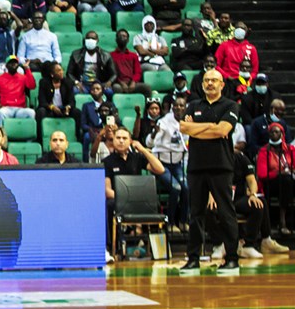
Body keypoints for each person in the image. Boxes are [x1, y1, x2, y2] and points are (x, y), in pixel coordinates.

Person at [178, 68, 242, 274]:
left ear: (222, 84)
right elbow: (184, 129)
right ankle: (193, 258)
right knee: (195, 214)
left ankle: (232, 258)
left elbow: (223, 130)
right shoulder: (193, 105)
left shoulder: (230, 105)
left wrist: (197, 128)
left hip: (221, 166)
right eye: (207, 80)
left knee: (226, 212)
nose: (210, 83)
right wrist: (210, 127)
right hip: (196, 166)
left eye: (214, 80)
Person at [102, 127, 166, 249]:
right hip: (118, 200)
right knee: (108, 205)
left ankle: (155, 247)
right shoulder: (107, 162)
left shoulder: (137, 158)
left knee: (155, 204)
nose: (121, 141)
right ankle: (111, 247)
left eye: (124, 138)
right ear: (113, 140)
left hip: (138, 199)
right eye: (118, 138)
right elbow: (107, 190)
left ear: (130, 141)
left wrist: (143, 150)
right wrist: (125, 198)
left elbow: (160, 169)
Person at [146, 98, 189, 232]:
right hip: (161, 163)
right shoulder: (164, 122)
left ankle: (183, 221)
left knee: (186, 188)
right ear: (172, 107)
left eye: (182, 105)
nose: (179, 108)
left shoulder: (188, 122)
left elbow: (187, 145)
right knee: (176, 188)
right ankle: (170, 223)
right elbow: (150, 144)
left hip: (177, 163)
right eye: (176, 105)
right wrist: (154, 132)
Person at [256, 122, 295, 236]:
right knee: (286, 181)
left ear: (282, 134)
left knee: (288, 181)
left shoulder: (290, 149)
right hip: (270, 183)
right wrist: (279, 173)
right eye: (271, 132)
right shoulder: (264, 151)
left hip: (288, 181)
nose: (274, 134)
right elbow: (262, 174)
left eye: (276, 132)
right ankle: (282, 222)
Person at [0, 56, 36, 124]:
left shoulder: (23, 77)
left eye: (15, 63)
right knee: (1, 112)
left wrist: (27, 68)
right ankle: (0, 132)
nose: (13, 64)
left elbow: (32, 86)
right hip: (6, 108)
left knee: (31, 112)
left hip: (20, 109)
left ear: (18, 65)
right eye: (11, 63)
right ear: (6, 65)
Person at [36, 61, 78, 131]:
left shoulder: (68, 82)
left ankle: (77, 136)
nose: (61, 72)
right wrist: (52, 107)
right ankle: (40, 137)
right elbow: (42, 101)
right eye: (58, 71)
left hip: (63, 109)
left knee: (76, 112)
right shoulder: (44, 82)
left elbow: (72, 101)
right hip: (50, 110)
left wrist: (69, 106)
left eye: (62, 70)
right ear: (52, 74)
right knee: (41, 111)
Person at [111, 29, 153, 96]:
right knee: (116, 88)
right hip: (119, 83)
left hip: (132, 83)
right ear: (116, 39)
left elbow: (137, 72)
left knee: (146, 88)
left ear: (128, 40)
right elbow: (112, 73)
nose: (122, 38)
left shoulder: (133, 55)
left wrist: (133, 82)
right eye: (120, 36)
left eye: (124, 36)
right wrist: (121, 82)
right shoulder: (111, 55)